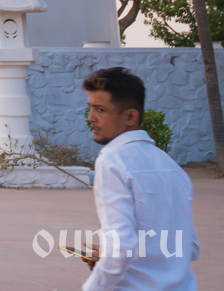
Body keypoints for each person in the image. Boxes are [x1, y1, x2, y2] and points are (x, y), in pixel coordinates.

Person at [78, 66, 199, 290]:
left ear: (130, 116)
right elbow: (190, 247)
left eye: (100, 110)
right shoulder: (173, 168)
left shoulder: (112, 161)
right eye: (90, 108)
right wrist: (111, 254)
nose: (91, 118)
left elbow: (121, 247)